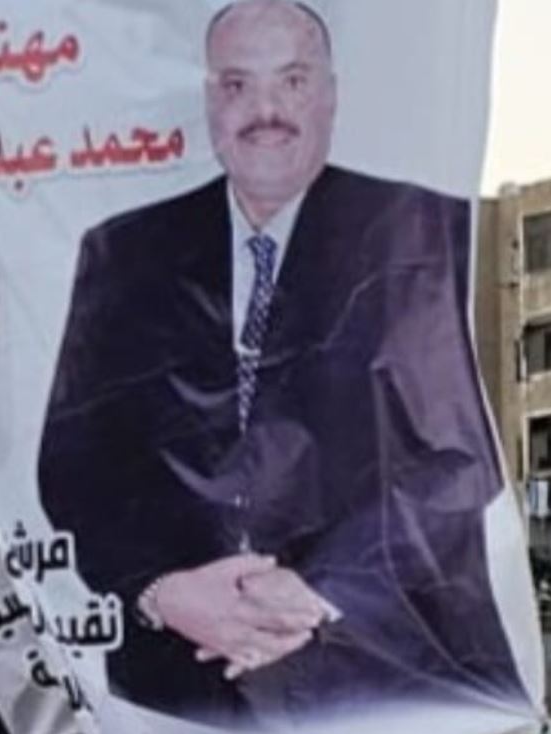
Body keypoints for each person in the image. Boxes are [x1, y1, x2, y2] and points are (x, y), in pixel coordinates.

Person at [37, 0, 528, 727]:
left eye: (292, 81)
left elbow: (453, 461)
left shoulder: (420, 234)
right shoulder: (123, 253)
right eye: (237, 85)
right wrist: (160, 590)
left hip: (382, 680)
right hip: (178, 689)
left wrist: (310, 594)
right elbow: (74, 466)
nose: (264, 111)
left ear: (331, 95)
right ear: (209, 102)